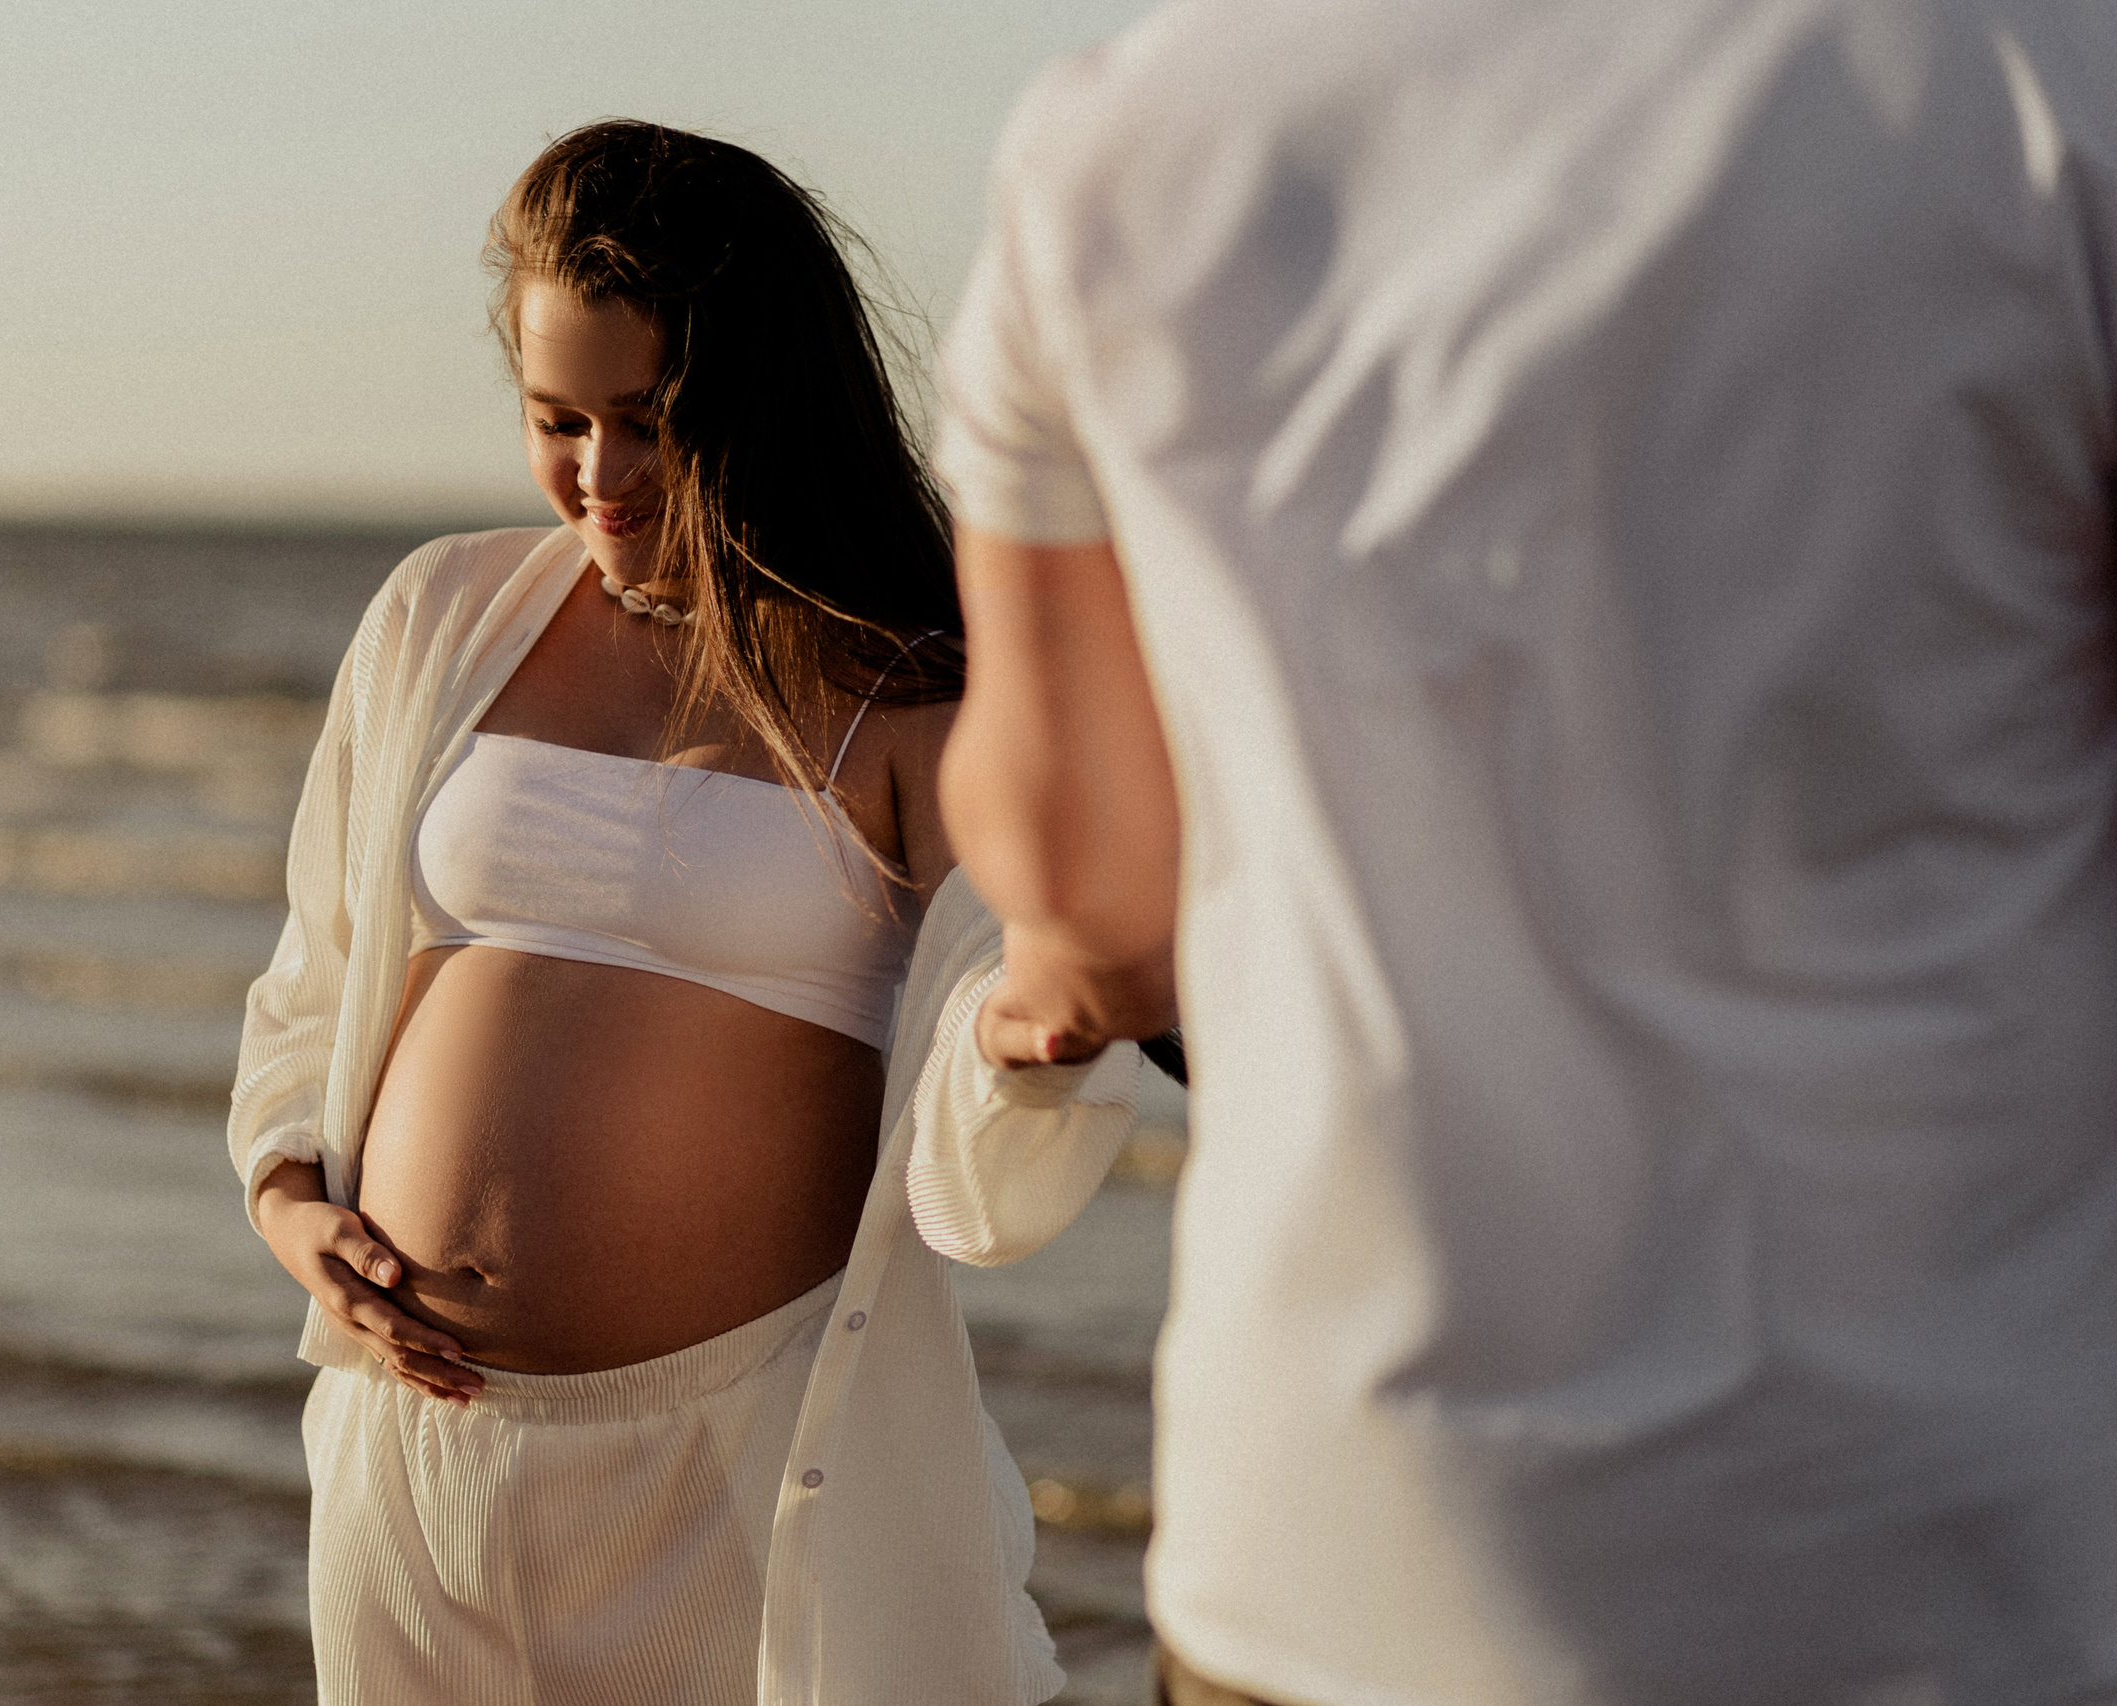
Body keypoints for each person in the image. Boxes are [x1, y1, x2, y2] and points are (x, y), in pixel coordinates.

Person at [930, 3, 2117, 1704]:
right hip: (1935, 1557)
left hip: (1333, 1554)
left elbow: (1090, 901)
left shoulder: (1122, 136)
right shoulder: (2044, 74)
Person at [226, 119, 1142, 1706]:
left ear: (757, 405)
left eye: (648, 423)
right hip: (412, 1471)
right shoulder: (443, 617)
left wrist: (1025, 1042)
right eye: (556, 418)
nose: (601, 475)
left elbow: (991, 1189)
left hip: (727, 1482)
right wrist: (287, 1198)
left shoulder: (915, 698)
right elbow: (313, 988)